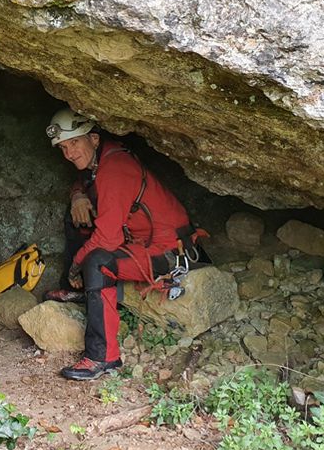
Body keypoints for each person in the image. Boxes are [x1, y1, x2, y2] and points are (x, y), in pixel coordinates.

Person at [45, 107, 207, 380]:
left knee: (97, 261)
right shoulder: (103, 158)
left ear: (94, 139)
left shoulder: (115, 169)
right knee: (78, 218)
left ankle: (102, 357)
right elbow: (83, 182)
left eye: (74, 143)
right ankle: (81, 291)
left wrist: (76, 265)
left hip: (169, 251)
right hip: (139, 241)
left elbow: (108, 239)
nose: (69, 153)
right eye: (63, 147)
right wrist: (77, 197)